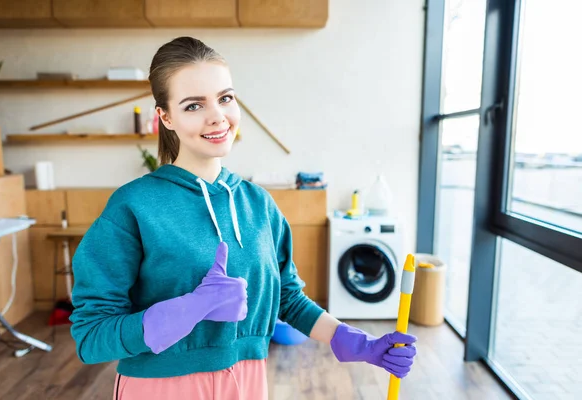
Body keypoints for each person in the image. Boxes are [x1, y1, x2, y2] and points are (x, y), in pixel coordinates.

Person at [69, 36, 417, 400]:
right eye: (193, 105)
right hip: (161, 387)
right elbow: (92, 337)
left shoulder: (259, 204)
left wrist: (353, 340)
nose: (217, 116)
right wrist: (188, 310)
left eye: (225, 98)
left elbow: (286, 297)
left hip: (247, 383)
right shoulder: (133, 206)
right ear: (165, 117)